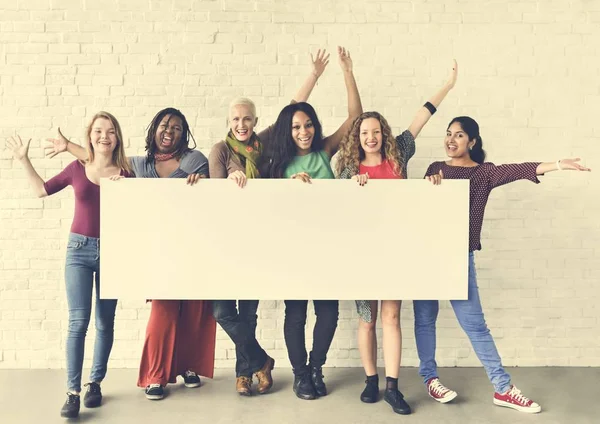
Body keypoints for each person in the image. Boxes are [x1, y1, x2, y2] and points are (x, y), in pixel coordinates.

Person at [415, 115, 591, 414]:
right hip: (428, 255)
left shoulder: (484, 173)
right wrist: (430, 186)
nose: (451, 140)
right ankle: (430, 379)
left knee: (476, 326)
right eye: (448, 134)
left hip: (459, 256)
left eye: (459, 135)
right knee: (425, 319)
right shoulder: (435, 169)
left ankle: (503, 388)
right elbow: (419, 209)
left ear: (472, 141)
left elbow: (520, 169)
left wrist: (558, 164)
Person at [45, 108, 215, 401]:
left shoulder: (194, 160)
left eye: (176, 127)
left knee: (191, 309)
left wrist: (198, 183)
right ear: (153, 130)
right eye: (164, 125)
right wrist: (69, 146)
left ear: (184, 133)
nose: (169, 131)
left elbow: (207, 196)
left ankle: (187, 366)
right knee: (163, 311)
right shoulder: (137, 165)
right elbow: (102, 160)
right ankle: (156, 375)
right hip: (155, 247)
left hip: (189, 243)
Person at [335, 61, 458, 415]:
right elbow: (335, 209)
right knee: (367, 318)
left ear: (383, 133)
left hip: (397, 250)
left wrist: (447, 84)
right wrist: (352, 187)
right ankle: (370, 380)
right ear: (356, 138)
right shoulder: (346, 169)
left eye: (375, 131)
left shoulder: (399, 153)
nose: (370, 138)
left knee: (391, 316)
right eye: (364, 133)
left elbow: (422, 116)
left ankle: (392, 387)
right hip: (363, 252)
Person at [208, 50, 332, 396]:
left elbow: (289, 113)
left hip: (257, 239)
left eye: (247, 119)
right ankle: (261, 360)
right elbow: (214, 194)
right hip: (226, 239)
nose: (242, 125)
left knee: (248, 313)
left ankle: (243, 375)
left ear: (254, 120)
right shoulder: (220, 149)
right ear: (229, 122)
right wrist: (232, 174)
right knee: (221, 310)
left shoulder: (263, 147)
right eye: (236, 119)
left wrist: (314, 76)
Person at [7, 111, 132, 418]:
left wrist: (126, 190)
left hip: (114, 253)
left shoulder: (127, 174)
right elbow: (41, 190)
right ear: (90, 136)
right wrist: (24, 160)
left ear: (117, 138)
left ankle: (95, 384)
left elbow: (140, 217)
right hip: (78, 250)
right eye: (99, 131)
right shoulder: (77, 168)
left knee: (105, 323)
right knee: (78, 322)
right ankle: (72, 392)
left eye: (111, 131)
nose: (105, 136)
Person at [262, 46, 362, 400]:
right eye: (296, 127)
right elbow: (268, 204)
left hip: (327, 245)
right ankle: (301, 375)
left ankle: (316, 366)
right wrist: (314, 77)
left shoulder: (324, 150)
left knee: (329, 313)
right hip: (292, 247)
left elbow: (355, 118)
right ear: (288, 132)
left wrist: (346, 71)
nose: (303, 131)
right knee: (295, 314)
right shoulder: (276, 162)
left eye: (308, 125)